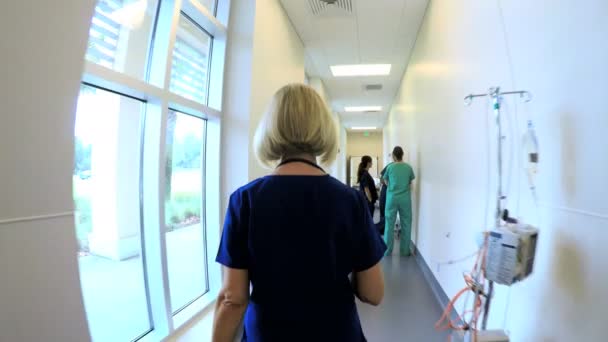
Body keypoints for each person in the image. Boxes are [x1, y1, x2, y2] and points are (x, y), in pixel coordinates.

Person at [212, 84, 386, 342]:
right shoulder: (351, 201)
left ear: (270, 129)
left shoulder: (245, 200)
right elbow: (373, 293)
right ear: (323, 129)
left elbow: (232, 299)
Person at [383, 146, 415, 257]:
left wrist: (392, 187)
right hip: (405, 199)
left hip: (392, 198)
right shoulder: (408, 168)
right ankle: (405, 251)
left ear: (394, 156)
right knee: (406, 223)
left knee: (389, 224)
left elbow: (385, 181)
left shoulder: (390, 168)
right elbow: (410, 182)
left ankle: (387, 251)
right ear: (402, 155)